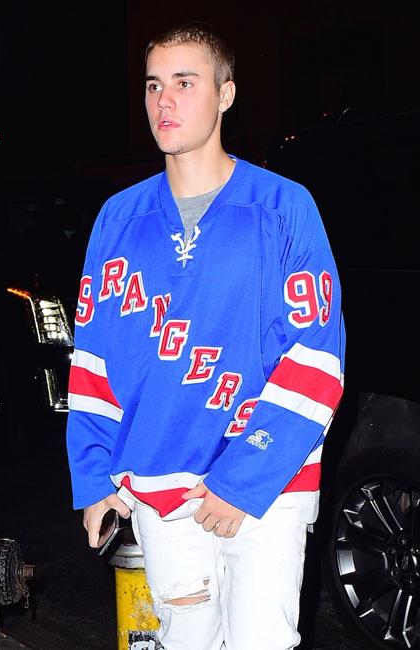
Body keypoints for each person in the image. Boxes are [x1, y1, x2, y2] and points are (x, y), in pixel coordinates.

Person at [66, 22, 345, 650]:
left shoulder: (283, 207)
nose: (164, 101)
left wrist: (242, 479)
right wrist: (95, 476)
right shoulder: (118, 218)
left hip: (268, 483)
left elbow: (317, 360)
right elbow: (94, 358)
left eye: (184, 83)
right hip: (158, 483)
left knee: (261, 641)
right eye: (153, 85)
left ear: (225, 94)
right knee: (184, 639)